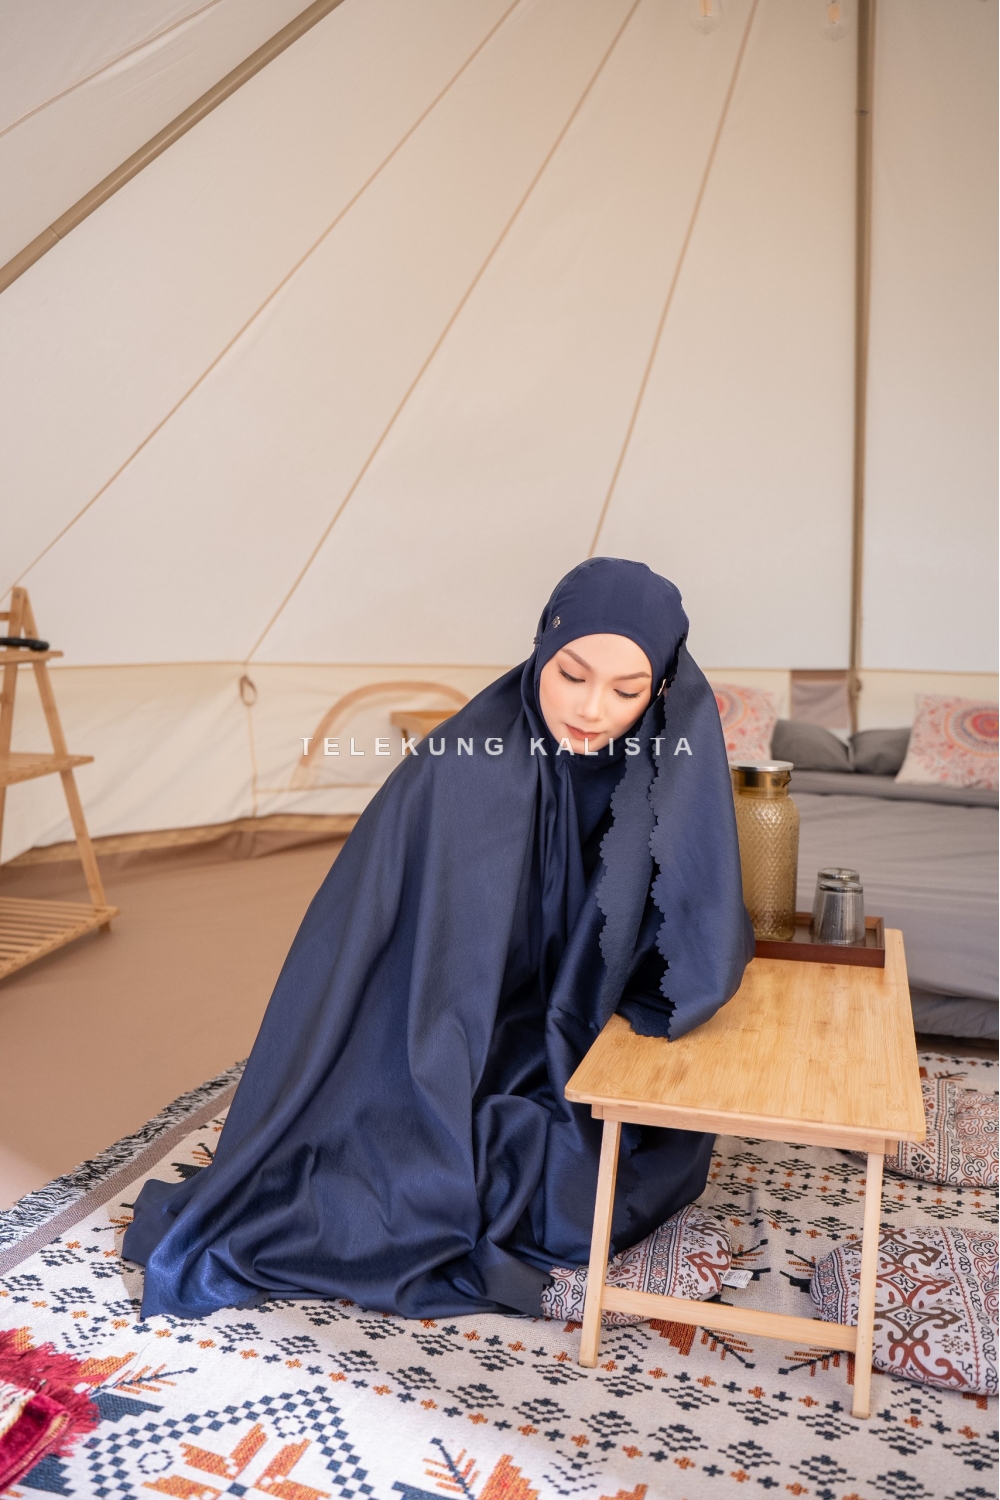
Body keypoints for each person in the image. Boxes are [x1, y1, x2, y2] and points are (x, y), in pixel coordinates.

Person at [124, 557, 753, 1320]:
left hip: (563, 1024)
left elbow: (693, 928)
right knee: (517, 1188)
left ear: (661, 688)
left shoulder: (660, 763)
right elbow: (428, 978)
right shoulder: (465, 771)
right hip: (433, 1040)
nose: (592, 710)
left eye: (626, 691)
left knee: (661, 1147)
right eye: (571, 675)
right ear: (540, 652)